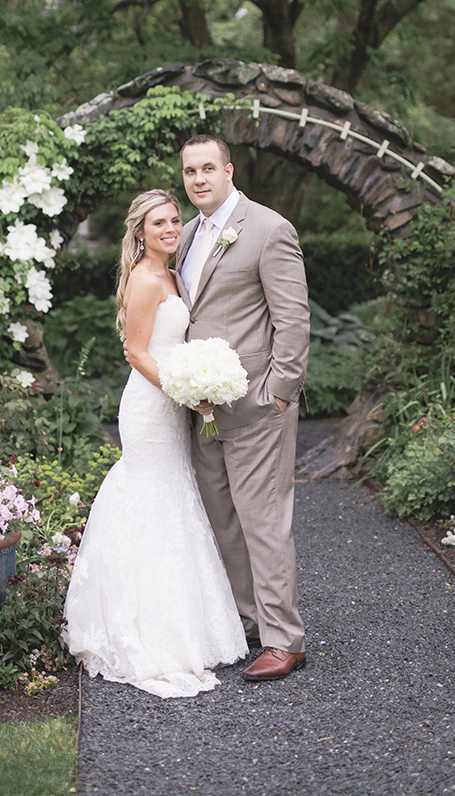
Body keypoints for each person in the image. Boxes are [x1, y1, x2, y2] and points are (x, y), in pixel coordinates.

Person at [62, 189, 247, 698]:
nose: (170, 228)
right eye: (158, 223)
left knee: (175, 500)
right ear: (140, 232)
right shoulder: (146, 278)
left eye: (174, 220)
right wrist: (185, 392)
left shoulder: (170, 270)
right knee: (151, 497)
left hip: (171, 404)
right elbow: (136, 352)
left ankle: (183, 621)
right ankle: (142, 628)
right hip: (149, 406)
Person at [176, 134, 310, 681]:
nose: (199, 179)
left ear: (229, 170)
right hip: (202, 408)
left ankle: (285, 639)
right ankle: (247, 624)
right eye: (190, 172)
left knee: (263, 521)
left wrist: (278, 392)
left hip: (256, 403)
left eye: (208, 168)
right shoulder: (183, 236)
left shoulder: (269, 228)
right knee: (222, 521)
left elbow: (293, 320)